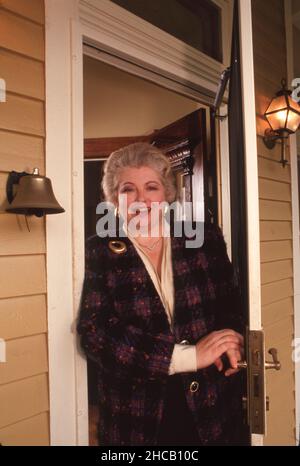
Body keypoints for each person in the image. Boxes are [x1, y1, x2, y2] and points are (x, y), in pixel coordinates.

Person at [77, 142, 246, 446]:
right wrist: (188, 356)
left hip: (212, 406)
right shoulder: (97, 250)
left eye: (151, 187)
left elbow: (230, 305)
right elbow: (95, 333)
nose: (141, 199)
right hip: (136, 415)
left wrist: (230, 340)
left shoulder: (203, 238)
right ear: (115, 199)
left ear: (166, 194)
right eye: (129, 189)